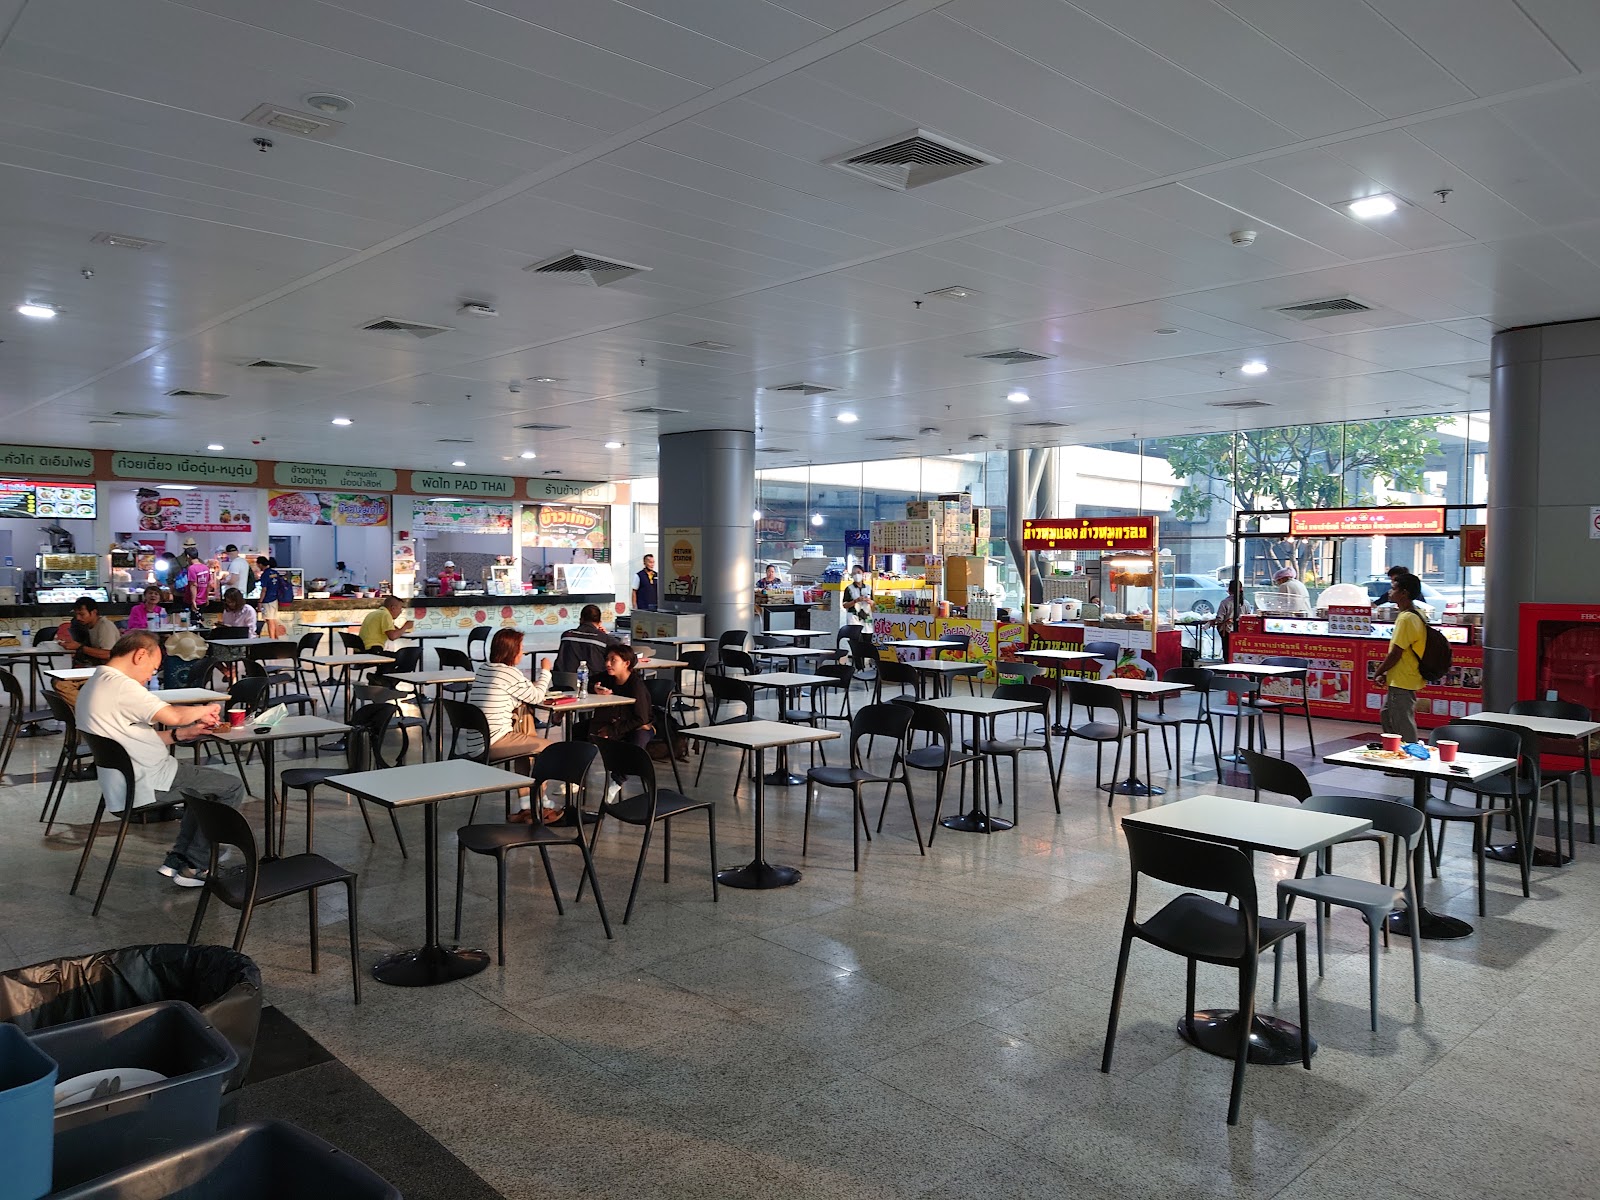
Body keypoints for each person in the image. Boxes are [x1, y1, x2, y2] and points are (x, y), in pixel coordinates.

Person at [75, 631, 239, 887]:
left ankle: (179, 857)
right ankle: (196, 865)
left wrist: (181, 734)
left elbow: (129, 738)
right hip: (147, 781)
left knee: (201, 787)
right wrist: (206, 709)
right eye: (153, 668)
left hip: (122, 783)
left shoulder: (96, 683)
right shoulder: (121, 686)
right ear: (140, 655)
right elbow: (173, 715)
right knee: (230, 787)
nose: (151, 676)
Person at [461, 629, 555, 822]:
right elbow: (537, 696)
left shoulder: (485, 669)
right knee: (549, 749)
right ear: (511, 651)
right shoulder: (508, 673)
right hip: (493, 742)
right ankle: (540, 802)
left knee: (525, 746)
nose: (523, 652)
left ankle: (528, 805)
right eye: (520, 648)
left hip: (477, 742)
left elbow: (517, 693)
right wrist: (546, 671)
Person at [588, 643, 654, 802]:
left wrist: (612, 730)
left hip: (639, 726)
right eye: (607, 659)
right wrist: (594, 688)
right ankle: (575, 775)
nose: (607, 663)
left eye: (613, 660)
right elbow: (586, 682)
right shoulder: (607, 677)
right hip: (614, 721)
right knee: (578, 730)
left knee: (637, 741)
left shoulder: (635, 685)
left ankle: (617, 781)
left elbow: (641, 719)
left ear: (626, 663)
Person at [1374, 572, 1428, 745]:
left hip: (1403, 678)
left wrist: (1379, 671)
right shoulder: (1417, 613)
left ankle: (1410, 756)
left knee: (1402, 722)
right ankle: (1395, 752)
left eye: (1393, 588)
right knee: (1387, 715)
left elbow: (1396, 652)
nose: (1390, 592)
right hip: (1403, 676)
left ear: (1404, 593)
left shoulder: (1406, 618)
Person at [58, 597, 121, 668]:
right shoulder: (83, 625)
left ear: (94, 612)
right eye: (76, 614)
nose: (78, 618)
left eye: (82, 614)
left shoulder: (105, 626)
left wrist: (79, 647)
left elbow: (108, 654)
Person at [554, 604, 611, 677]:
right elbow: (621, 649)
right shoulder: (605, 639)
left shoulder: (566, 635)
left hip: (563, 680)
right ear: (600, 623)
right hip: (593, 681)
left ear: (581, 620)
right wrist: (605, 634)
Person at [1213, 579, 1251, 661]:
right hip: (1242, 632)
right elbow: (1248, 617)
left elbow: (1220, 619)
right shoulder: (1246, 603)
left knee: (1228, 654)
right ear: (1241, 589)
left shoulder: (1225, 602)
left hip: (1227, 631)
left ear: (1229, 590)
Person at [255, 556, 291, 638]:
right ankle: (276, 638)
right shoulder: (275, 573)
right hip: (275, 599)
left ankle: (272, 639)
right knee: (274, 619)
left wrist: (260, 601)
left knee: (269, 620)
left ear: (260, 564)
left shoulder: (265, 575)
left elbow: (264, 590)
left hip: (267, 600)